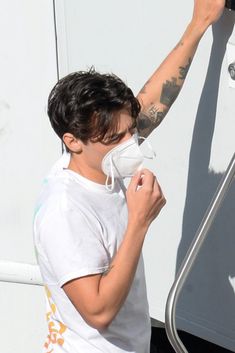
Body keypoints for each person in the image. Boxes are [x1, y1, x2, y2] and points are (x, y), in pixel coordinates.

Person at [33, 1, 225, 352]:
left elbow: (153, 100)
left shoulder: (101, 158)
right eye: (115, 139)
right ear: (72, 141)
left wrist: (199, 25)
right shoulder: (64, 212)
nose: (131, 144)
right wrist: (139, 220)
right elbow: (99, 311)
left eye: (130, 131)